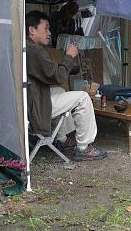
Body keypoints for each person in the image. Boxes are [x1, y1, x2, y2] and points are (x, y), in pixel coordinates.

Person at [25, 10, 107, 161]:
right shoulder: (34, 50)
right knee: (83, 97)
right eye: (46, 28)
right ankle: (84, 147)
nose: (49, 33)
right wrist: (69, 56)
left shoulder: (25, 47)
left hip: (27, 101)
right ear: (32, 30)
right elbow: (58, 76)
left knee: (60, 90)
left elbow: (49, 75)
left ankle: (60, 139)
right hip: (33, 107)